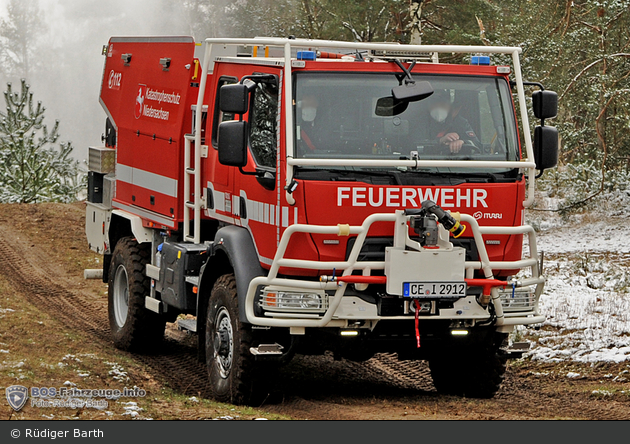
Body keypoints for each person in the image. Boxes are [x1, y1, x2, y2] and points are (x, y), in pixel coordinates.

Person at [426, 89, 481, 154]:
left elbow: (478, 146)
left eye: (443, 104)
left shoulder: (460, 122)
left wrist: (463, 142)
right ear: (428, 106)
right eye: (435, 104)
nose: (439, 108)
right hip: (425, 163)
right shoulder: (421, 122)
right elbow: (415, 146)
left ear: (449, 106)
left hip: (458, 162)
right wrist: (440, 141)